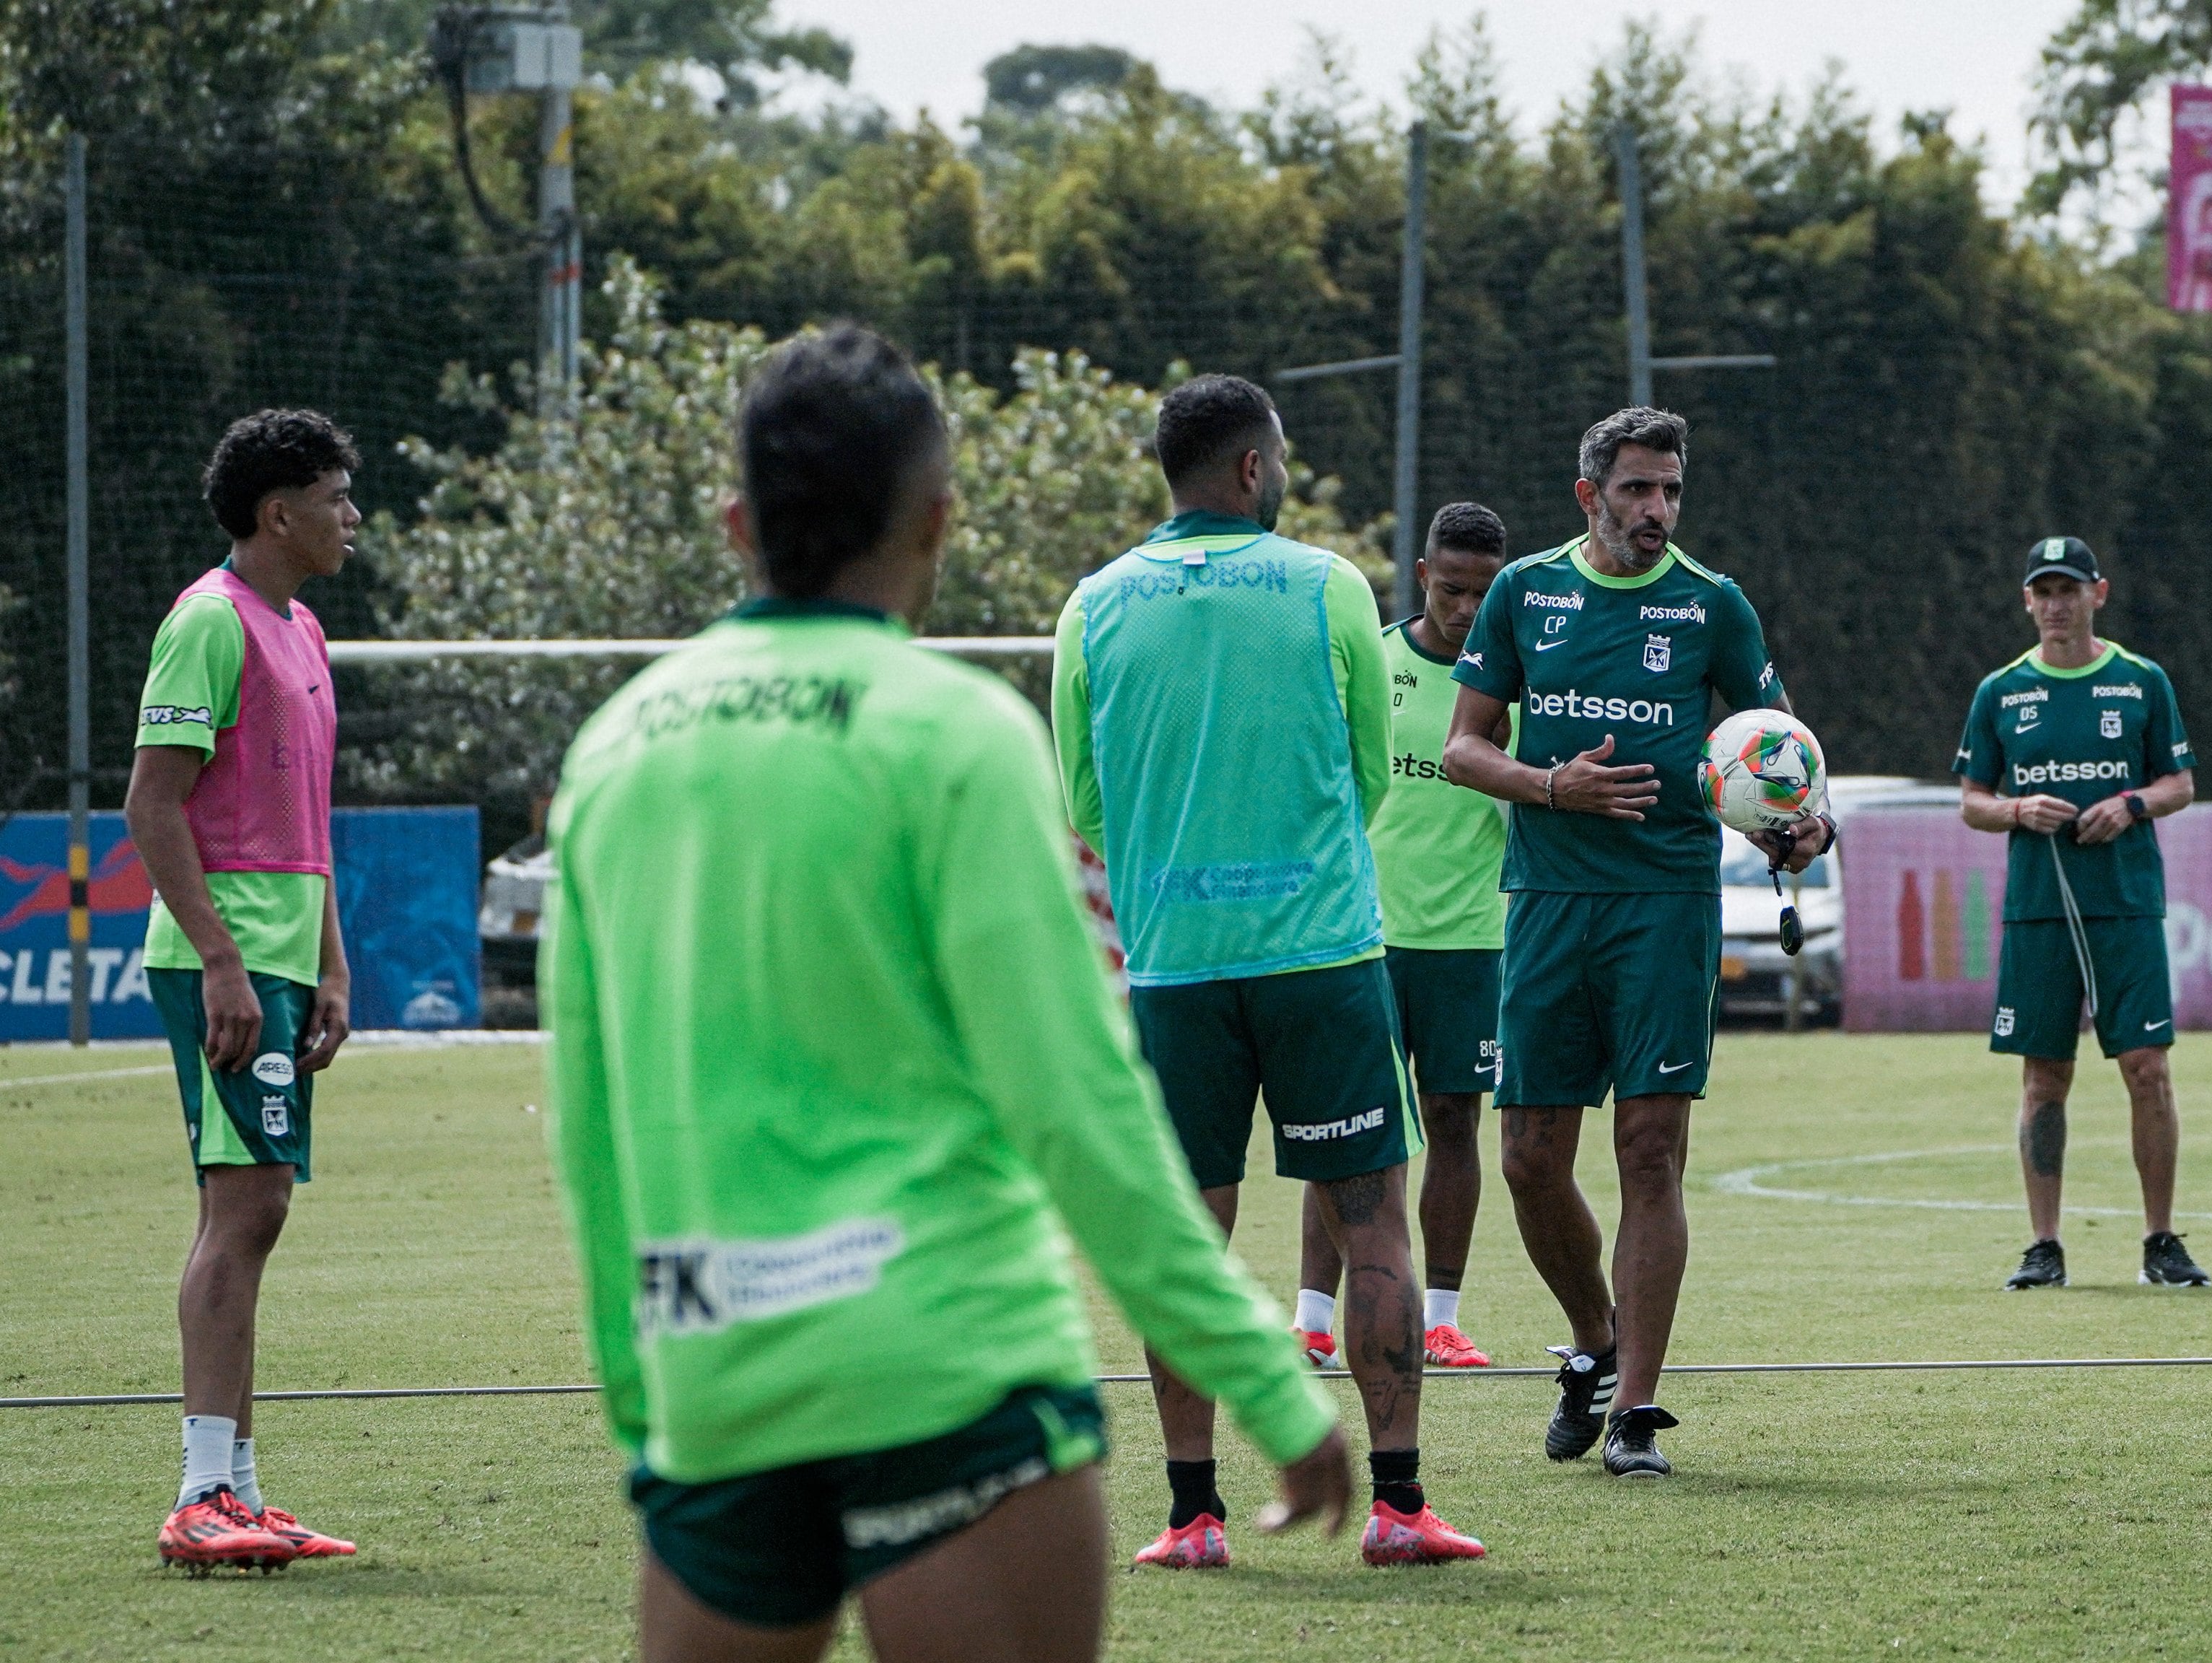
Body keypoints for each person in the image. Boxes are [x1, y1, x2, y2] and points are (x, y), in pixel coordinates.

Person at [543, 326, 1350, 1663]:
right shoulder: (957, 730)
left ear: (738, 522)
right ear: (938, 519)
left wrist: (649, 1413)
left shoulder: (619, 743)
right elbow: (1077, 1100)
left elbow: (588, 1120)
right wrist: (1265, 1375)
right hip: (950, 1369)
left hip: (717, 1381)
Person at [1052, 372, 1485, 1567]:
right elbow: (1370, 767)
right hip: (1323, 953)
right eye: (1280, 455)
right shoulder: (1329, 586)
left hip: (1176, 968)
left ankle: (1192, 1517)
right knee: (1371, 1221)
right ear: (1252, 467)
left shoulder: (1088, 606)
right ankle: (1399, 1507)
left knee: (1185, 1235)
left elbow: (1085, 800)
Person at [1441, 406, 1833, 1480]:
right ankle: (1600, 1343)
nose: (1656, 511)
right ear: (1589, 496)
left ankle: (1637, 1411)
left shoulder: (1714, 605)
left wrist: (1807, 825)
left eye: (1669, 491)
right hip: (1549, 901)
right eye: (1636, 491)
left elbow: (1786, 755)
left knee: (1649, 1151)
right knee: (1526, 1159)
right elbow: (1465, 749)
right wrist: (1551, 785)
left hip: (1665, 906)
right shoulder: (1526, 592)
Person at [130, 409, 364, 1572]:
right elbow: (153, 804)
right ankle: (200, 1493)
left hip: (281, 955)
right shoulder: (207, 623)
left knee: (257, 1211)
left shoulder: (305, 628)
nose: (352, 517)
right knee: (245, 1210)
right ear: (281, 513)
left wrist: (329, 961)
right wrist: (224, 960)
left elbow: (308, 822)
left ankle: (239, 1489)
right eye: (337, 496)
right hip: (221, 961)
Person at [1293, 502, 1515, 1374]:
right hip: (1364, 937)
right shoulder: (1371, 662)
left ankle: (1441, 1319)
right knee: (1346, 1127)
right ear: (1423, 577)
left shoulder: (1516, 685)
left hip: (1469, 938)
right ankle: (1312, 1320)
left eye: (1483, 593)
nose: (1466, 608)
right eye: (1452, 589)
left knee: (1454, 1122)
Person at [1953, 536, 2206, 1293]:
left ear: (2098, 593)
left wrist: (2129, 805)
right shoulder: (2000, 691)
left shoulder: (2139, 681)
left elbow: (2180, 784)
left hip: (2124, 905)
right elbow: (1971, 803)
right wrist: (2016, 808)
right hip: (2038, 912)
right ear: (2027, 601)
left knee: (2147, 1070)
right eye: (2044, 591)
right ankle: (2044, 1245)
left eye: (2070, 590)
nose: (2057, 604)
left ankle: (2159, 1239)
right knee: (2044, 1078)